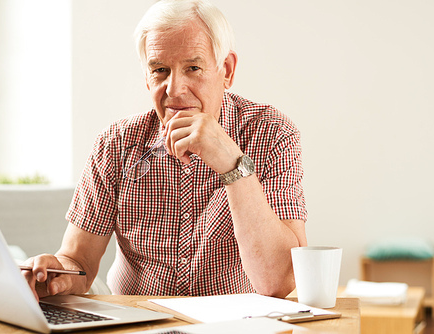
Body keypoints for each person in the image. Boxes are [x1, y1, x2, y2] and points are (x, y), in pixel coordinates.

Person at [23, 0, 307, 300]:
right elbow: (78, 262)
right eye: (160, 70)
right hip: (137, 323)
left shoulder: (271, 132)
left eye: (193, 68)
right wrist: (59, 275)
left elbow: (278, 282)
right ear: (147, 78)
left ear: (226, 70)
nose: (174, 89)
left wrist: (230, 162)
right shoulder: (115, 144)